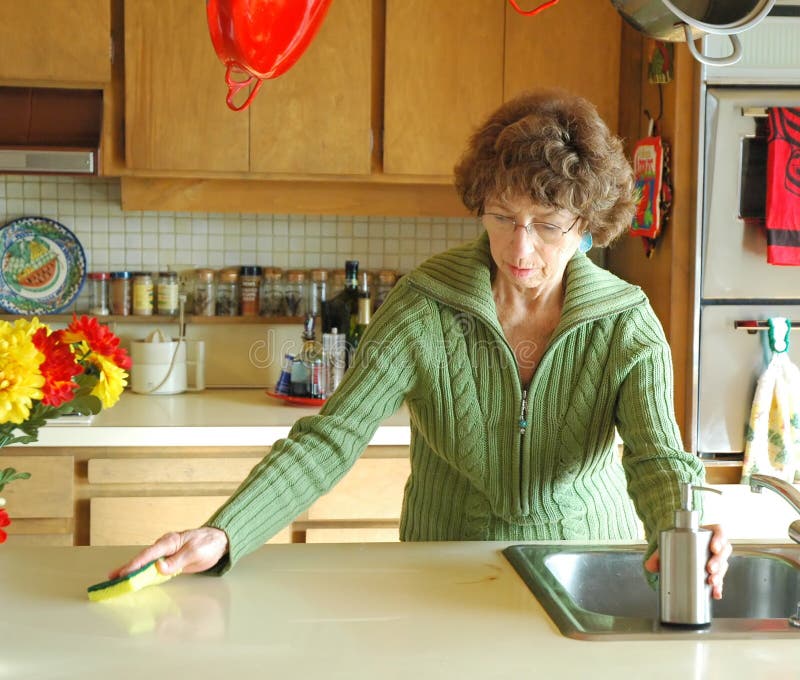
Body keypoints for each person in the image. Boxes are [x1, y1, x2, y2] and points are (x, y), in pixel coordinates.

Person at [111, 89, 730, 597]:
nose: (520, 249)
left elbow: (656, 461)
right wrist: (225, 533)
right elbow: (330, 441)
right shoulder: (424, 304)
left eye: (546, 227)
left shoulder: (626, 322)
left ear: (587, 227)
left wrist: (684, 531)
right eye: (502, 217)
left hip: (586, 567)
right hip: (441, 568)